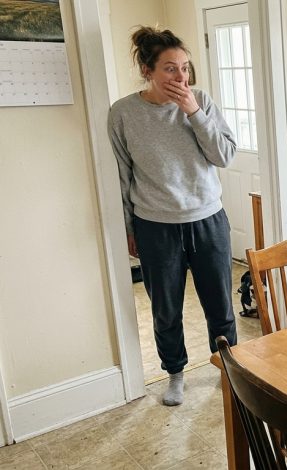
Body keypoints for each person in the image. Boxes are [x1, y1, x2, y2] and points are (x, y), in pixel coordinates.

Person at [108, 26, 238, 406]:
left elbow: (225, 156)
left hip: (208, 219)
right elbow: (121, 176)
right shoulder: (123, 114)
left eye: (185, 67)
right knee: (166, 309)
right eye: (169, 68)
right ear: (147, 70)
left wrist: (194, 113)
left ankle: (229, 369)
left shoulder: (201, 102)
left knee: (220, 305)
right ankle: (176, 374)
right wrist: (129, 229)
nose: (180, 77)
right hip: (155, 226)